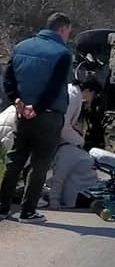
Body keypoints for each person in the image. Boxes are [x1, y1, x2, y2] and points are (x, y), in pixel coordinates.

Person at [0, 12, 73, 223]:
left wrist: (17, 101)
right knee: (40, 164)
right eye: (68, 31)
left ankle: (2, 206)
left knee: (16, 158)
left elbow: (9, 78)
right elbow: (54, 86)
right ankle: (28, 210)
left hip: (22, 112)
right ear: (62, 29)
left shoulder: (21, 47)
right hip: (48, 115)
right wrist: (37, 107)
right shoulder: (62, 53)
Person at [46, 80, 101, 209]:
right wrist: (54, 202)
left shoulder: (69, 150)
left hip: (84, 191)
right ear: (89, 91)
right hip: (80, 195)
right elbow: (64, 126)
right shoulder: (71, 96)